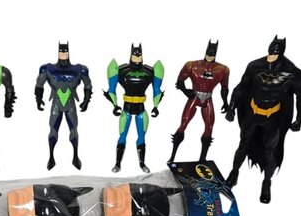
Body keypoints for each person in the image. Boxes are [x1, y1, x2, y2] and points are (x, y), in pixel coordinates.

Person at [225, 36, 301, 203]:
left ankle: (266, 182)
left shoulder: (292, 72)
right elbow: (241, 87)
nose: (271, 56)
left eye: (275, 54)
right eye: (270, 53)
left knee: (269, 150)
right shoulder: (255, 66)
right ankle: (234, 173)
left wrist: (299, 119)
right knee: (243, 144)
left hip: (273, 115)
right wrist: (232, 107)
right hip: (253, 111)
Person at [104, 44, 164, 173]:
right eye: (135, 55)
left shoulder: (149, 71)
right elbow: (111, 89)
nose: (137, 58)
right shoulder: (121, 70)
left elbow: (157, 89)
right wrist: (114, 105)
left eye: (139, 55)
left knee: (141, 137)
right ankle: (117, 163)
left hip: (141, 108)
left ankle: (142, 163)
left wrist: (156, 106)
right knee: (122, 136)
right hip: (126, 108)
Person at [169, 40, 230, 163]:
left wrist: (225, 103)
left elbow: (224, 88)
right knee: (184, 123)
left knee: (209, 127)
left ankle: (202, 158)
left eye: (213, 52)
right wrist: (186, 92)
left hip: (208, 98)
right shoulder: (192, 65)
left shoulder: (223, 69)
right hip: (195, 96)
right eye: (209, 51)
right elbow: (180, 81)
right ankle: (172, 157)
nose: (210, 54)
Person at [35, 42, 92, 170]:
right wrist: (38, 99)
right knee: (53, 131)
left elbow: (88, 85)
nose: (63, 54)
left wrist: (86, 100)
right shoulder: (47, 68)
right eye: (61, 51)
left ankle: (75, 156)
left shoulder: (80, 69)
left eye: (65, 51)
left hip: (70, 103)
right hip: (56, 103)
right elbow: (39, 85)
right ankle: (51, 157)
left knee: (73, 131)